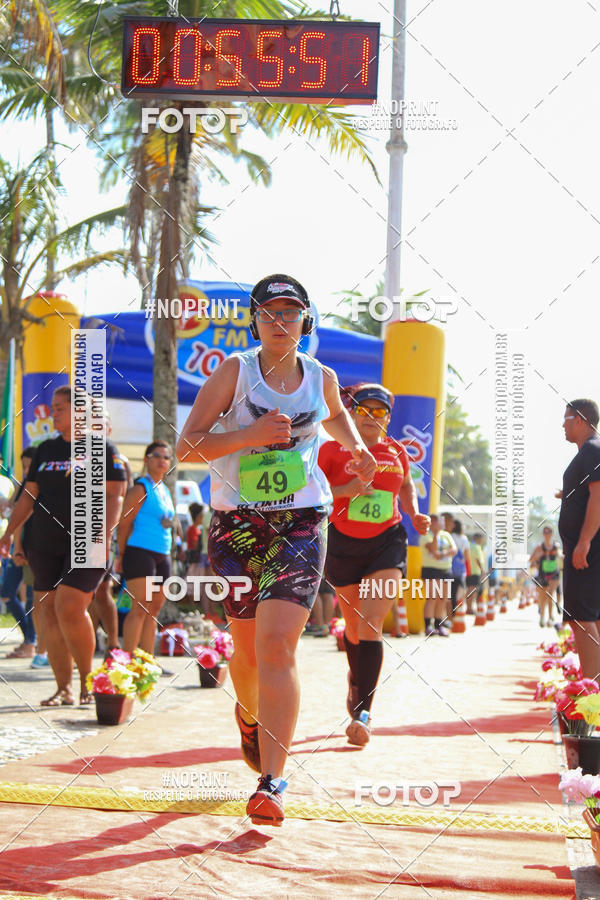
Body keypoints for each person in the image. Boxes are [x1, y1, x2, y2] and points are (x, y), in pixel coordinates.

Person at [176, 273, 376, 826]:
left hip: (301, 520)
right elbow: (187, 446)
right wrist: (250, 435)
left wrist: (356, 448)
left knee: (278, 644)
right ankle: (248, 714)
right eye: (269, 313)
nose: (280, 322)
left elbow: (334, 416)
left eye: (290, 313)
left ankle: (273, 781)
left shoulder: (321, 377)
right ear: (256, 321)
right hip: (236, 525)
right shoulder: (234, 373)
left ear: (305, 320)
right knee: (247, 655)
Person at [319, 383, 430, 746]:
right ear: (350, 413)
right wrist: (345, 491)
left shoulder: (396, 449)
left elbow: (406, 486)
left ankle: (363, 712)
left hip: (387, 542)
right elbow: (312, 493)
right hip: (342, 544)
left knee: (370, 622)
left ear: (388, 417)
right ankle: (357, 684)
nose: (371, 418)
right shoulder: (331, 449)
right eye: (364, 411)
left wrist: (414, 513)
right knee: (353, 627)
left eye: (379, 412)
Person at [0, 386, 126, 705]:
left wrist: (103, 531)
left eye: (59, 408)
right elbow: (28, 496)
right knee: (48, 614)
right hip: (43, 543)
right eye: (53, 407)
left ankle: (88, 684)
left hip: (88, 542)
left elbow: (115, 495)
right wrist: (7, 534)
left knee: (69, 606)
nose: (53, 413)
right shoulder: (44, 449)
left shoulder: (101, 449)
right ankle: (63, 688)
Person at [117, 440, 175, 655]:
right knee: (140, 607)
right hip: (139, 551)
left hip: (163, 553)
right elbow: (123, 524)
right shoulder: (141, 487)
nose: (162, 460)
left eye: (166, 457)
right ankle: (127, 662)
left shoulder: (165, 490)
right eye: (157, 456)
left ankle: (148, 662)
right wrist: (120, 555)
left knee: (153, 611)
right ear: (146, 459)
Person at [558, 399, 600, 680]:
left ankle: (592, 696)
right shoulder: (589, 452)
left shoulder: (593, 450)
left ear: (581, 419)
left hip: (587, 550)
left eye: (567, 418)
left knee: (581, 617)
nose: (563, 424)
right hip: (587, 548)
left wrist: (583, 542)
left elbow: (599, 496)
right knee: (591, 617)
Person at [2, 447, 37, 658]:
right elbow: (14, 510)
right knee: (6, 593)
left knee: (34, 597)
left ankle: (31, 643)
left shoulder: (41, 488)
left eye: (29, 466)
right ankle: (28, 638)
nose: (25, 470)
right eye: (23, 466)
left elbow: (23, 518)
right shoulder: (24, 484)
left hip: (32, 548)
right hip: (17, 546)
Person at [419, 514, 457, 635]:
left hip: (445, 569)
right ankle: (428, 626)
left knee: (442, 598)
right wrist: (435, 534)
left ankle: (438, 625)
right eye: (439, 521)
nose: (442, 523)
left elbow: (454, 550)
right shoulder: (425, 536)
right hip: (431, 569)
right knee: (432, 598)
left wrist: (443, 554)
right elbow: (433, 550)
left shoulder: (446, 535)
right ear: (432, 523)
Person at [529, 526, 562, 627]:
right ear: (543, 534)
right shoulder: (539, 547)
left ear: (552, 534)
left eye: (549, 532)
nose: (547, 534)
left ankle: (550, 617)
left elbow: (561, 556)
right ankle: (542, 617)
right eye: (545, 532)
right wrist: (537, 557)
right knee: (543, 597)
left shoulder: (556, 546)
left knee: (550, 594)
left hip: (553, 573)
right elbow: (531, 560)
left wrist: (560, 555)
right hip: (542, 573)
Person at [450, 519, 471, 619]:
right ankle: (458, 614)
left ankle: (450, 616)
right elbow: (467, 556)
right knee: (460, 593)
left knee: (450, 594)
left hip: (450, 568)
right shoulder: (464, 539)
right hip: (461, 569)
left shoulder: (450, 536)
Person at [466, 533, 486, 614]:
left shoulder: (469, 545)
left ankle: (469, 607)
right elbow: (478, 560)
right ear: (478, 539)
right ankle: (469, 608)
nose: (482, 541)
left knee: (469, 590)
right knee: (473, 591)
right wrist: (482, 570)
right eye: (481, 539)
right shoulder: (476, 547)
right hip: (475, 572)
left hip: (468, 571)